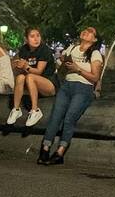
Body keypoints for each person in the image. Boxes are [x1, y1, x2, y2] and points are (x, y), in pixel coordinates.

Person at [37, 27, 103, 165]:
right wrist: (61, 61)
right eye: (85, 30)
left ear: (94, 39)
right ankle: (45, 149)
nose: (86, 31)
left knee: (69, 119)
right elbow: (60, 68)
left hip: (83, 88)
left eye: (91, 31)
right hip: (66, 86)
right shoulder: (72, 48)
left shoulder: (95, 53)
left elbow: (95, 77)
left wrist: (77, 69)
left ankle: (60, 152)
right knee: (55, 117)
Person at [7, 27, 57, 126]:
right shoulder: (23, 50)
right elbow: (20, 69)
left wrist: (26, 66)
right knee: (20, 77)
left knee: (30, 76)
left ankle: (35, 110)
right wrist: (17, 65)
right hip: (32, 86)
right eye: (32, 36)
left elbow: (38, 71)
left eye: (38, 36)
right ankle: (16, 109)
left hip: (49, 85)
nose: (36, 39)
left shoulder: (44, 50)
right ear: (26, 39)